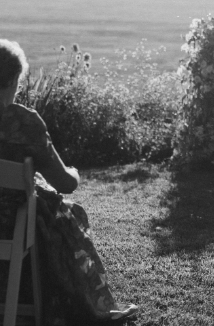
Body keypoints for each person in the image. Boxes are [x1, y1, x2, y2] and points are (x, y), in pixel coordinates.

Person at [0, 39, 138, 324]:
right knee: (67, 213)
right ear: (14, 79)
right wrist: (75, 171)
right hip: (10, 225)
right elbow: (64, 183)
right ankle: (91, 306)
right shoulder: (24, 122)